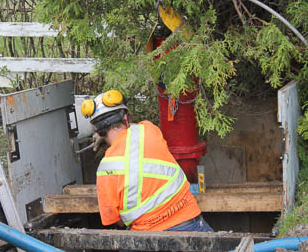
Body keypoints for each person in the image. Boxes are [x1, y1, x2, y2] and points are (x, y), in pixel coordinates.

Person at [81, 89, 213, 232]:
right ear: (125, 118)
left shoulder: (105, 170)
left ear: (96, 130)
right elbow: (135, 135)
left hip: (146, 238)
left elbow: (115, 220)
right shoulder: (149, 130)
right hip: (188, 223)